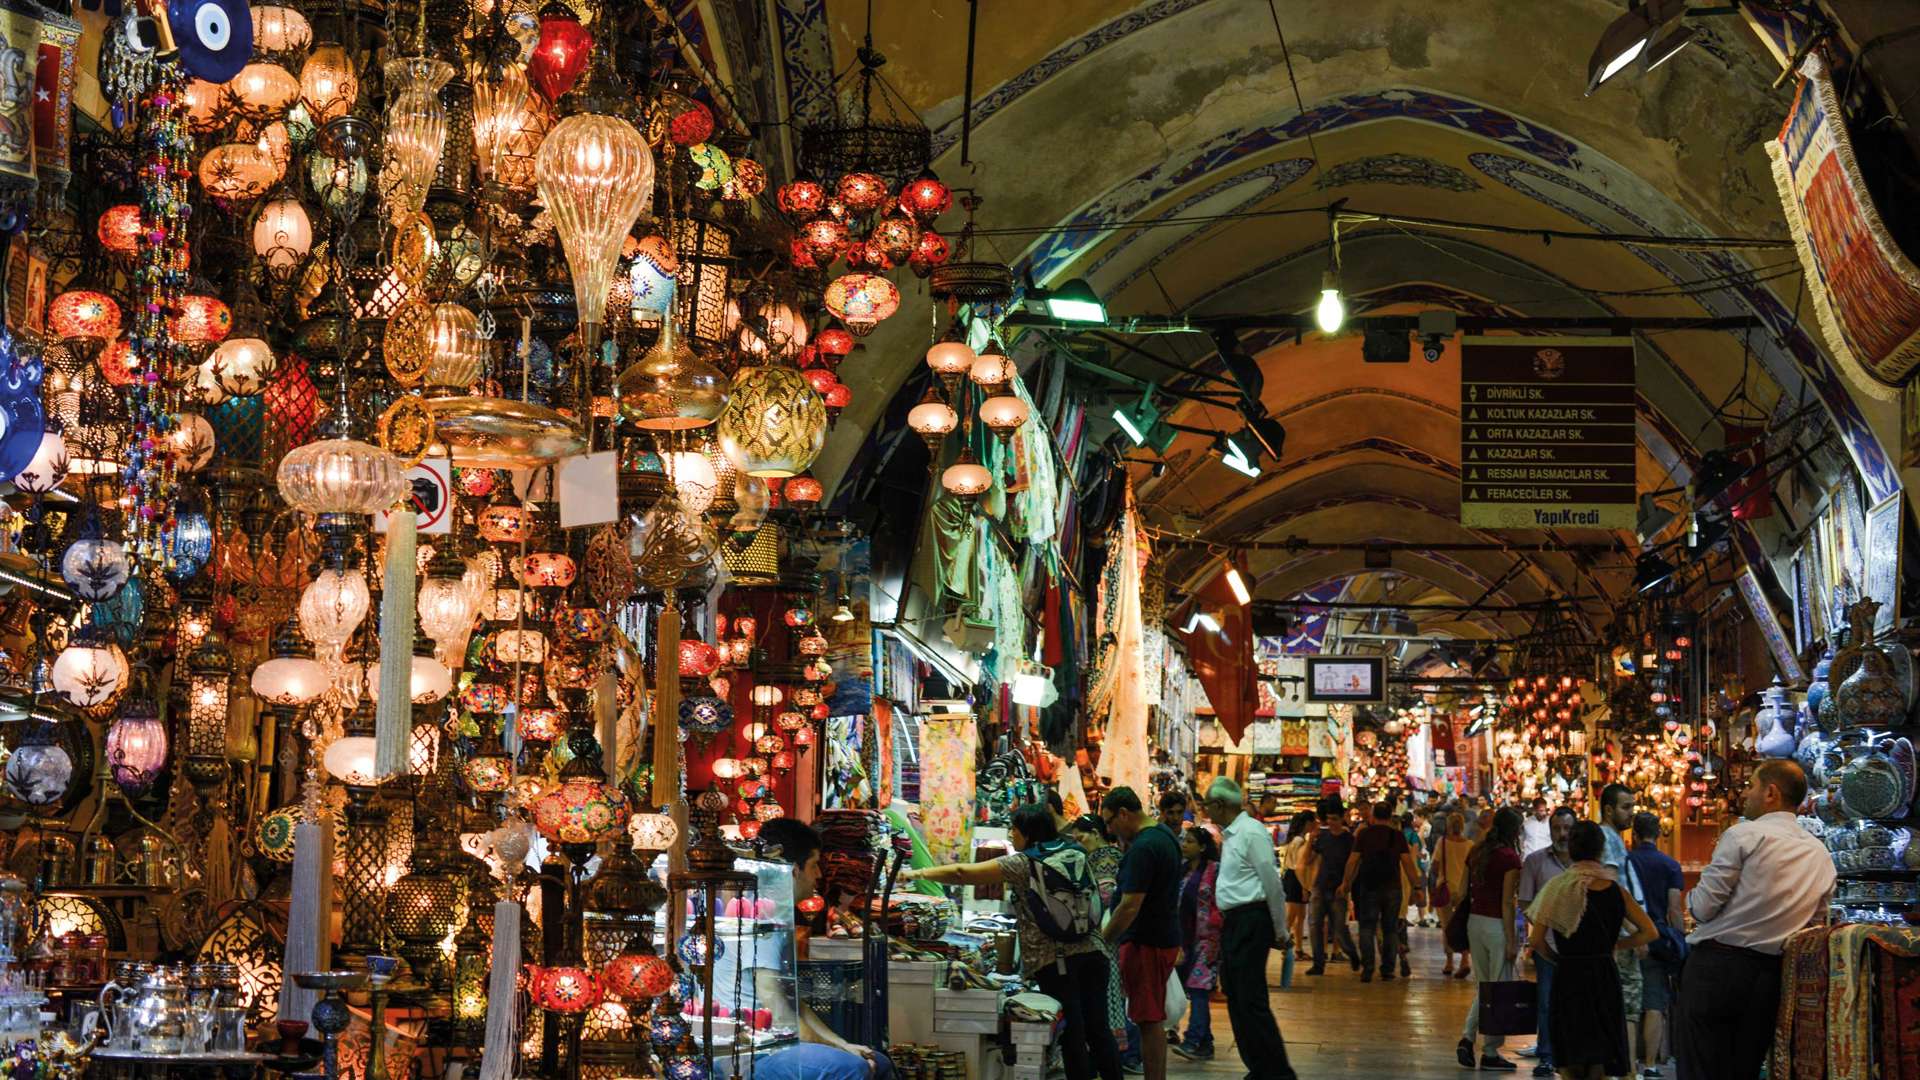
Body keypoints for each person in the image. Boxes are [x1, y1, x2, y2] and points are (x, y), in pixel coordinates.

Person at [899, 804, 1121, 1080]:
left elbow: (962, 873)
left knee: (1072, 1032)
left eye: (1013, 830)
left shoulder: (1023, 863)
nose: (1011, 835)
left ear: (1026, 832)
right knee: (1099, 1029)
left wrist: (916, 874)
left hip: (1056, 960)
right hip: (1094, 952)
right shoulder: (1075, 852)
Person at [1673, 760, 1834, 1080]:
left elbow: (1704, 907)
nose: (1745, 794)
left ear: (1771, 792)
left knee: (1701, 1064)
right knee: (1744, 1067)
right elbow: (1816, 926)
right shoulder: (1820, 855)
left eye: (1752, 786)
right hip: (1771, 975)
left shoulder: (1744, 835)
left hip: (1717, 969)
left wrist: (1689, 899)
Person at [752, 818, 897, 1080]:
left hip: (776, 1042)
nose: (819, 875)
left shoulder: (781, 916)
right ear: (794, 870)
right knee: (853, 1069)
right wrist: (841, 1051)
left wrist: (843, 1044)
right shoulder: (765, 919)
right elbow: (779, 1011)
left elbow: (795, 1003)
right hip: (757, 1050)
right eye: (814, 865)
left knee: (879, 1061)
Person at [1525, 821, 1661, 1080]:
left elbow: (1536, 941)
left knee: (1571, 1051)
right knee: (1600, 1052)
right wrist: (1615, 945)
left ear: (1572, 850)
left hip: (1569, 975)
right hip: (1604, 975)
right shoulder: (1616, 891)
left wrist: (1557, 959)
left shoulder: (1557, 888)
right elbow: (1649, 931)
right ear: (1600, 851)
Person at [1198, 776, 1298, 1080]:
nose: (1205, 810)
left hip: (1251, 921)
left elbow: (1271, 883)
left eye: (1207, 805)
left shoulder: (1251, 833)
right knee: (1237, 995)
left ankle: (1277, 1072)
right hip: (1237, 922)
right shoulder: (1232, 835)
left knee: (1251, 999)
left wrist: (1280, 931)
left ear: (1218, 805)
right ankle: (1259, 1067)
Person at [1101, 786, 1183, 1080]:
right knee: (1151, 1020)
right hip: (1158, 938)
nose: (1110, 830)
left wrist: (1104, 940)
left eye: (1110, 821)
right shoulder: (1163, 838)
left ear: (1124, 814)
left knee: (1149, 1021)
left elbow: (1129, 906)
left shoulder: (1145, 847)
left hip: (1146, 942)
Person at [1455, 807, 1524, 1072]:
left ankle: (1468, 1039)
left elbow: (1462, 891)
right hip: (1497, 926)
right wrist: (1511, 939)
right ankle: (1490, 1051)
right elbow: (1507, 902)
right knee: (1499, 989)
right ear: (1514, 831)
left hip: (1475, 922)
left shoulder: (1477, 851)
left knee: (1484, 987)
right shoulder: (1509, 858)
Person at [1517, 807, 1578, 1077]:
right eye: (1557, 828)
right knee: (1546, 1001)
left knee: (1576, 1001)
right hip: (1547, 944)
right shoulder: (1535, 862)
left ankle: (1573, 1053)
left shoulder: (1584, 863)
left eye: (1567, 828)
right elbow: (1525, 903)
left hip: (1580, 948)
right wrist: (1544, 926)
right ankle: (1547, 1055)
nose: (1562, 834)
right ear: (1550, 830)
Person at [1627, 812, 1684, 1080]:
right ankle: (1650, 1065)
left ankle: (1628, 1067)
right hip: (1658, 940)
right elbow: (1674, 909)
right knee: (1653, 1004)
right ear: (1659, 833)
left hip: (1629, 937)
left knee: (1628, 1006)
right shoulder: (1670, 865)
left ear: (1634, 834)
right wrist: (1679, 941)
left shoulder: (1626, 861)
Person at [1339, 801, 1421, 982]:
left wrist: (1346, 883)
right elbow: (1408, 863)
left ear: (1373, 815)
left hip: (1369, 887)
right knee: (1390, 929)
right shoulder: (1397, 836)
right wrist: (1417, 886)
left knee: (1367, 928)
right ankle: (1388, 969)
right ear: (1391, 815)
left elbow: (1353, 861)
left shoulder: (1364, 835)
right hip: (1392, 888)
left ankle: (1368, 968)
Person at [1067, 814, 1129, 1050]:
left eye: (1082, 837)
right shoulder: (1100, 856)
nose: (1080, 842)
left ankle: (1113, 1051)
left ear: (1095, 833)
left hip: (1107, 932)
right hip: (1105, 931)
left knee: (1110, 989)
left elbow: (1106, 895)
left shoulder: (1106, 857)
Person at [1598, 785, 1647, 1046]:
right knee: (1627, 1006)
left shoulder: (1614, 838)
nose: (1631, 813)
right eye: (1625, 807)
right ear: (1608, 809)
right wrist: (1633, 930)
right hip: (1622, 935)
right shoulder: (1606, 839)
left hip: (1624, 933)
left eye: (1632, 807)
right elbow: (1612, 890)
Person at [1170, 826, 1220, 1062]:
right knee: (1194, 989)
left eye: (1190, 841)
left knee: (1198, 989)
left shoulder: (1214, 871)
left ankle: (1193, 1040)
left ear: (1202, 847)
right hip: (1184, 940)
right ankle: (1205, 1043)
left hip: (1208, 940)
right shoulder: (1180, 872)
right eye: (1183, 840)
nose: (1184, 845)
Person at [1301, 794, 1359, 975]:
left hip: (1338, 889)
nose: (1331, 822)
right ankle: (1319, 964)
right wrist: (1311, 840)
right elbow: (1309, 860)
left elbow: (1355, 863)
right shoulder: (1323, 837)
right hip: (1320, 886)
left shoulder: (1349, 839)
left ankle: (1352, 953)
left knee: (1339, 928)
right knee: (1315, 925)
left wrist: (1347, 884)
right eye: (1329, 819)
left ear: (1342, 818)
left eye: (1334, 819)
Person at [1434, 811, 1474, 976]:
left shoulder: (1442, 843)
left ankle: (1449, 963)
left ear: (1448, 826)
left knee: (1447, 927)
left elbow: (1435, 866)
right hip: (1464, 890)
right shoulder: (1470, 845)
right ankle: (1465, 959)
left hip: (1446, 889)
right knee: (1465, 926)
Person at [1281, 811, 1315, 960]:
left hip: (1292, 876)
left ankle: (1298, 950)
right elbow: (1299, 865)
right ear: (1306, 823)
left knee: (1298, 916)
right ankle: (1285, 948)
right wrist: (1304, 886)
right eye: (1312, 822)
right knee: (1292, 916)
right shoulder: (1299, 841)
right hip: (1296, 878)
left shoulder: (1295, 839)